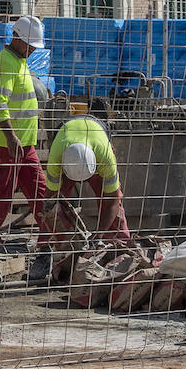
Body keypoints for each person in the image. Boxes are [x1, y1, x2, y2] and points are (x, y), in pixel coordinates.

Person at [0, 16, 52, 259]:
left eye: (35, 45)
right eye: (30, 44)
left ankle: (47, 235)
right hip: (7, 143)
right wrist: (10, 137)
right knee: (2, 191)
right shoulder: (5, 62)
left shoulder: (19, 60)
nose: (33, 49)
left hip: (23, 142)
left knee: (38, 188)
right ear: (17, 37)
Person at [42, 99, 132, 255]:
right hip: (67, 139)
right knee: (54, 205)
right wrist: (51, 217)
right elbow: (50, 198)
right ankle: (46, 248)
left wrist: (99, 235)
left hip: (96, 136)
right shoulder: (56, 157)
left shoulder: (105, 156)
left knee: (113, 199)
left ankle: (121, 244)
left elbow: (113, 201)